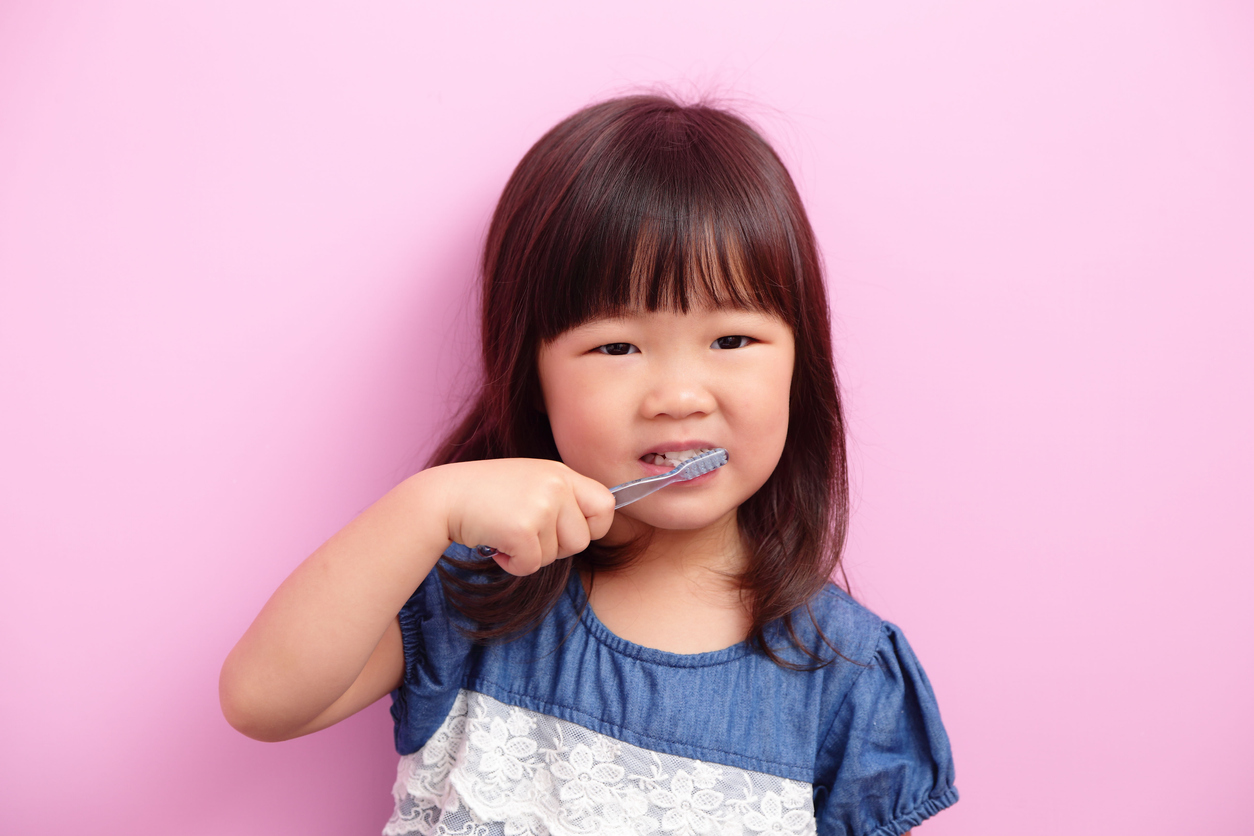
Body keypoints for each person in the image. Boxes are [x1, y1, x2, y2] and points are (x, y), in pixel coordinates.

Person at [220, 95, 958, 836]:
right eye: (617, 347)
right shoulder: (470, 589)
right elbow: (261, 702)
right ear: (534, 379)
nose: (679, 397)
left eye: (732, 340)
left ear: (802, 364)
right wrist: (427, 506)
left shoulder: (848, 676)